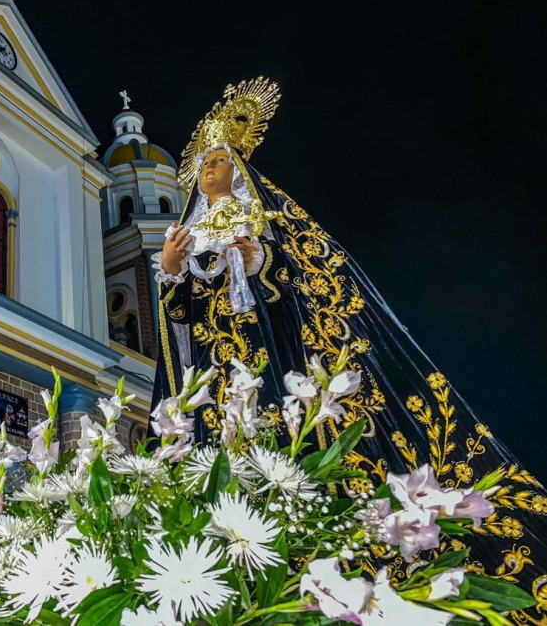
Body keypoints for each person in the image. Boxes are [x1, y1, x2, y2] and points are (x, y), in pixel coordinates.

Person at [149, 78, 546, 616]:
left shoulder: (262, 215)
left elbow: (303, 276)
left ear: (239, 171)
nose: (207, 171)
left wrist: (259, 264)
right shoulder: (186, 230)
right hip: (214, 364)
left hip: (269, 356)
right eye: (202, 166)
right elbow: (182, 312)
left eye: (217, 162)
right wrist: (172, 271)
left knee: (281, 451)